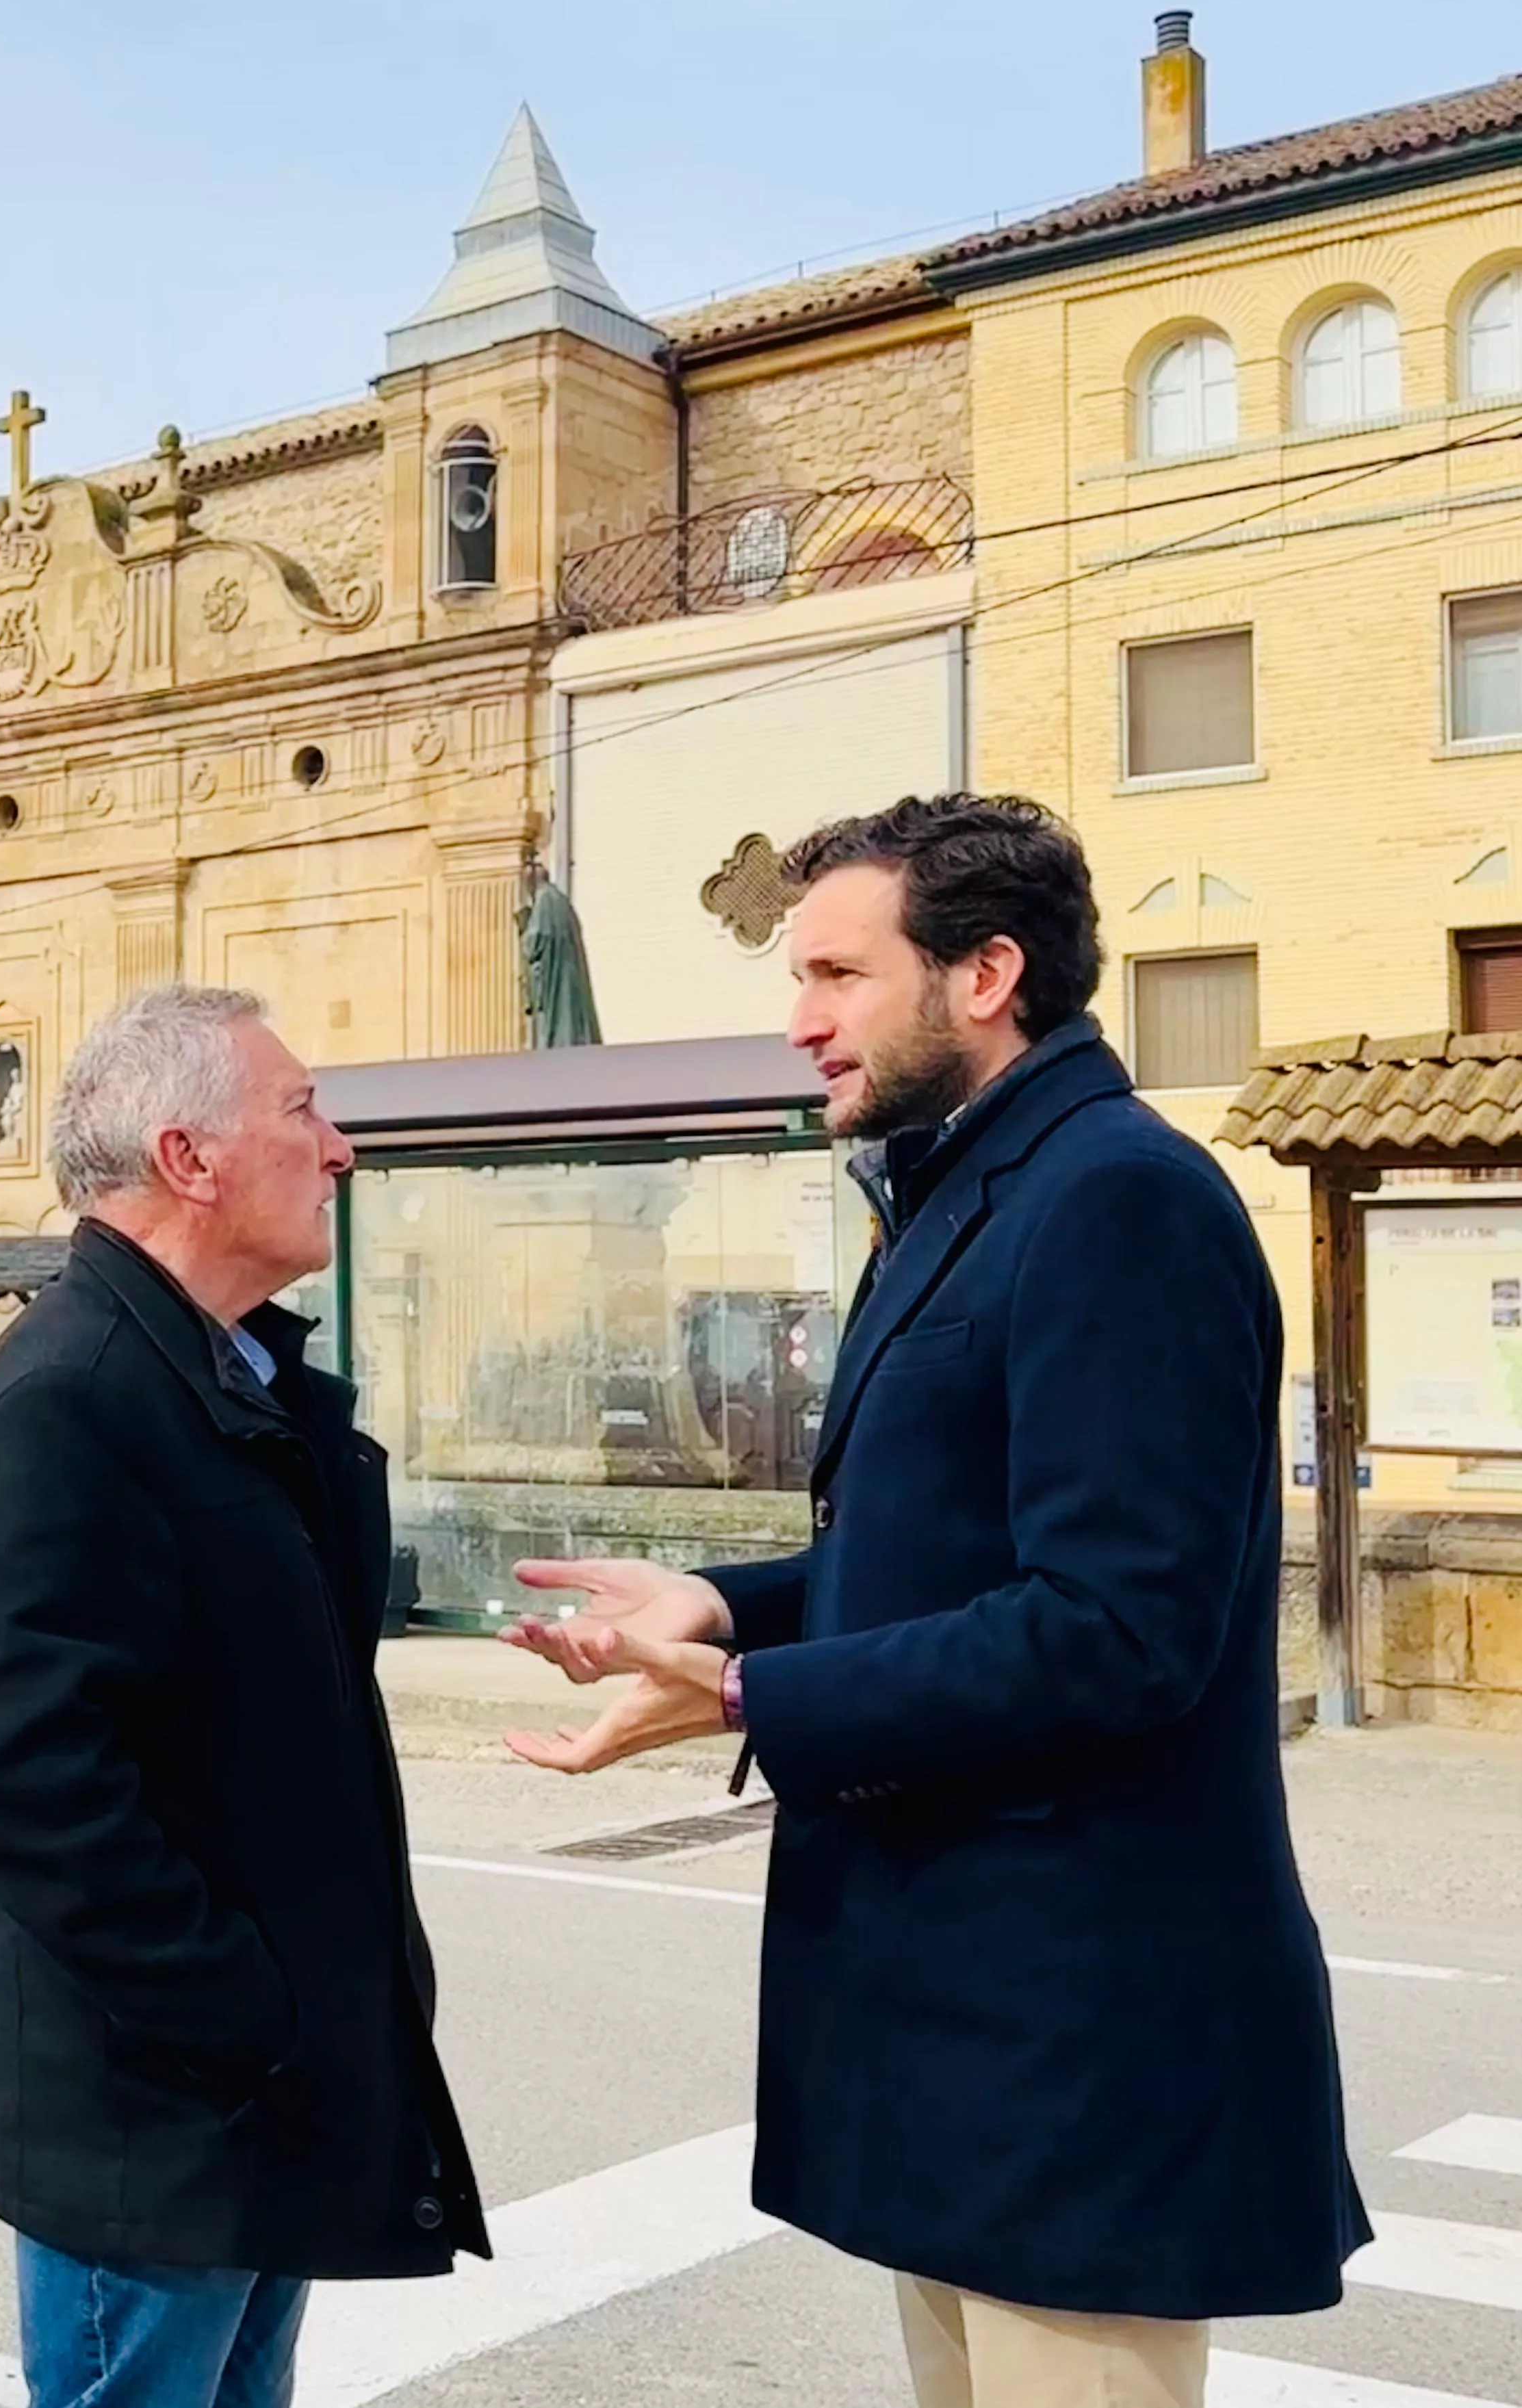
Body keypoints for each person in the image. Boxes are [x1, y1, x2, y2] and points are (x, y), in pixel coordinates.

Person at [503, 792, 1367, 2408]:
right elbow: (940, 1558)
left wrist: (759, 1699)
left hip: (1078, 2048)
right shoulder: (969, 1192)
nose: (803, 1021)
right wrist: (715, 1606)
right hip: (971, 2043)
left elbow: (1116, 1629)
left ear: (986, 973)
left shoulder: (1119, 1198)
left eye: (837, 974)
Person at [0, 983, 484, 2408]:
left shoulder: (225, 1379)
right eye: (303, 1110)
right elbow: (30, 1781)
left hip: (249, 2103)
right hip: (164, 2117)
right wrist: (250, 2016)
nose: (341, 1149)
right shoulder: (75, 1394)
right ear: (189, 1158)